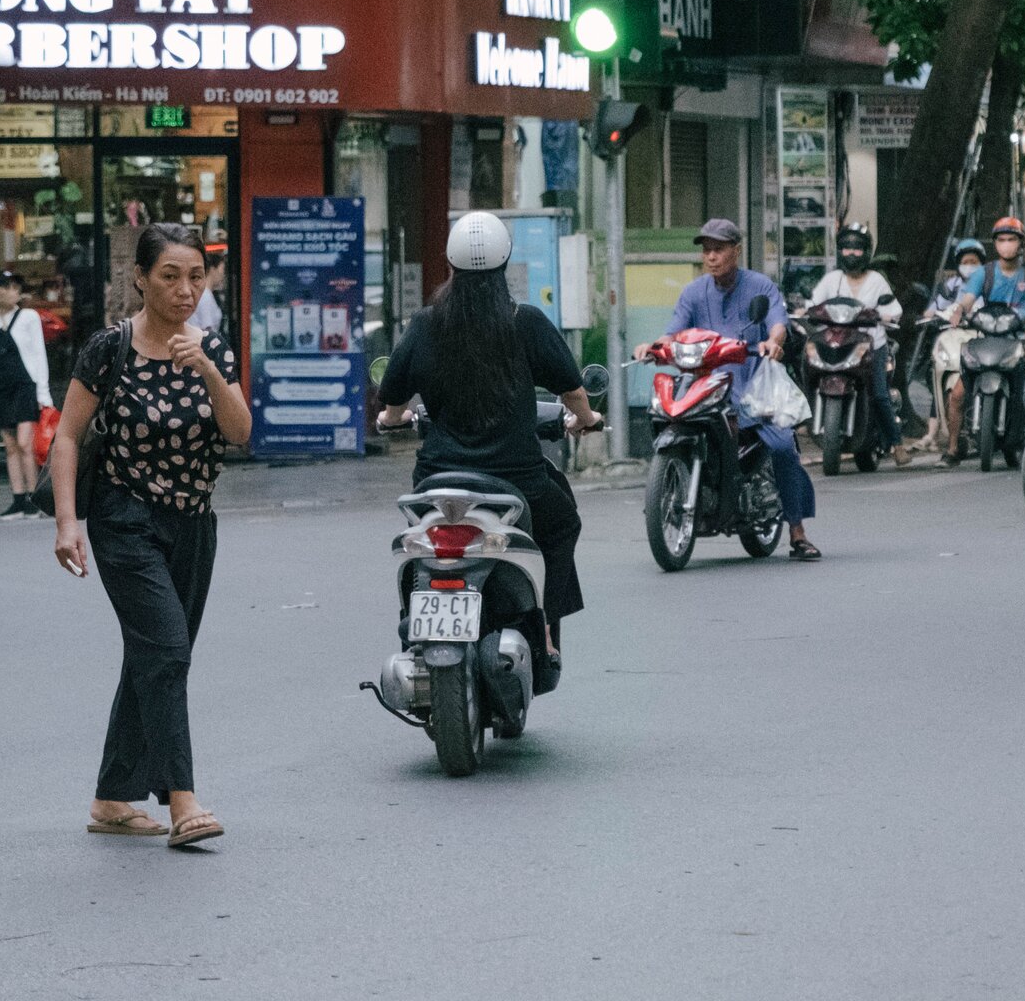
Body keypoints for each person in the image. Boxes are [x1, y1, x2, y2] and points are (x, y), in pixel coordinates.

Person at [50, 223, 252, 849]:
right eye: (170, 276)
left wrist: (211, 374)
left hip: (193, 523)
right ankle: (182, 802)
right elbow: (67, 437)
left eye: (195, 276)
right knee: (166, 652)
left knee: (154, 655)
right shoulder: (109, 349)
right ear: (140, 279)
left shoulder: (212, 348)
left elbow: (240, 433)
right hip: (124, 519)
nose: (185, 289)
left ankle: (113, 797)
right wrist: (66, 523)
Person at [376, 212, 603, 676]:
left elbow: (393, 401)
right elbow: (571, 389)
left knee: (415, 545)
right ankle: (543, 625)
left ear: (451, 266)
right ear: (504, 265)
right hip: (515, 479)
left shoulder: (424, 325)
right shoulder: (527, 323)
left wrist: (392, 419)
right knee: (561, 526)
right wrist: (587, 419)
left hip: (437, 481)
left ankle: (413, 622)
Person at [636, 218, 822, 560]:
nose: (711, 257)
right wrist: (653, 347)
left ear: (736, 251)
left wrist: (772, 342)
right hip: (705, 387)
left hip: (752, 388)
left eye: (718, 249)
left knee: (782, 447)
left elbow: (777, 324)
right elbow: (673, 331)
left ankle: (797, 532)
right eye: (706, 250)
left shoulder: (760, 286)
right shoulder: (693, 292)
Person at [940, 218, 1025, 467]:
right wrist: (959, 312)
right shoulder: (984, 273)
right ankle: (953, 448)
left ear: (1021, 244)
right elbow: (967, 301)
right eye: (1001, 240)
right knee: (957, 393)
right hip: (987, 338)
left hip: (1022, 341)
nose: (1006, 245)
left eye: (1011, 239)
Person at [806, 222, 911, 467]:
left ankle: (897, 445)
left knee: (879, 396)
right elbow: (813, 303)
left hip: (870, 345)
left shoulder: (876, 281)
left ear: (867, 252)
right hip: (836, 342)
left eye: (857, 248)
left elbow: (893, 310)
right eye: (846, 248)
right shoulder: (832, 280)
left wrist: (885, 315)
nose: (851, 253)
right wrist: (803, 311)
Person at [0, 270, 53, 520]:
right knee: (10, 447)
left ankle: (33, 498)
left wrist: (43, 393)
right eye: (4, 287)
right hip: (0, 388)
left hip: (24, 386)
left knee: (24, 443)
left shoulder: (29, 317)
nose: (9, 292)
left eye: (13, 287)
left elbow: (39, 355)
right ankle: (18, 499)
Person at [189, 245, 227, 334]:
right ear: (213, 270)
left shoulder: (206, 294)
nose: (223, 275)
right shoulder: (205, 296)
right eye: (222, 269)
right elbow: (208, 330)